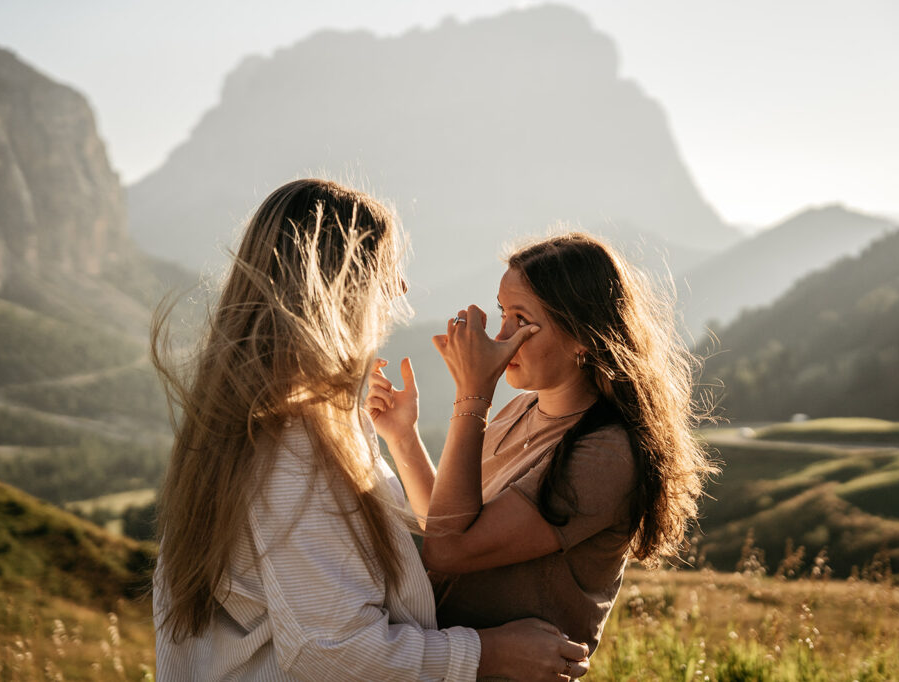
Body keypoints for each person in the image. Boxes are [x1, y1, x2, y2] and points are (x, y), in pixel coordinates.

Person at [150, 179, 590, 681]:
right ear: (340, 286)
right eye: (385, 272)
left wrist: (402, 439)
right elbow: (332, 651)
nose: (399, 290)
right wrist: (488, 653)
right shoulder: (293, 446)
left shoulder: (275, 421)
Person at [367, 232, 714, 661]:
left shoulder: (608, 454)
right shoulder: (520, 409)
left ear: (583, 336)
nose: (502, 334)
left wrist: (472, 394)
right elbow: (448, 521)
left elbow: (447, 549)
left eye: (522, 319)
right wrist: (403, 436)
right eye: (502, 313)